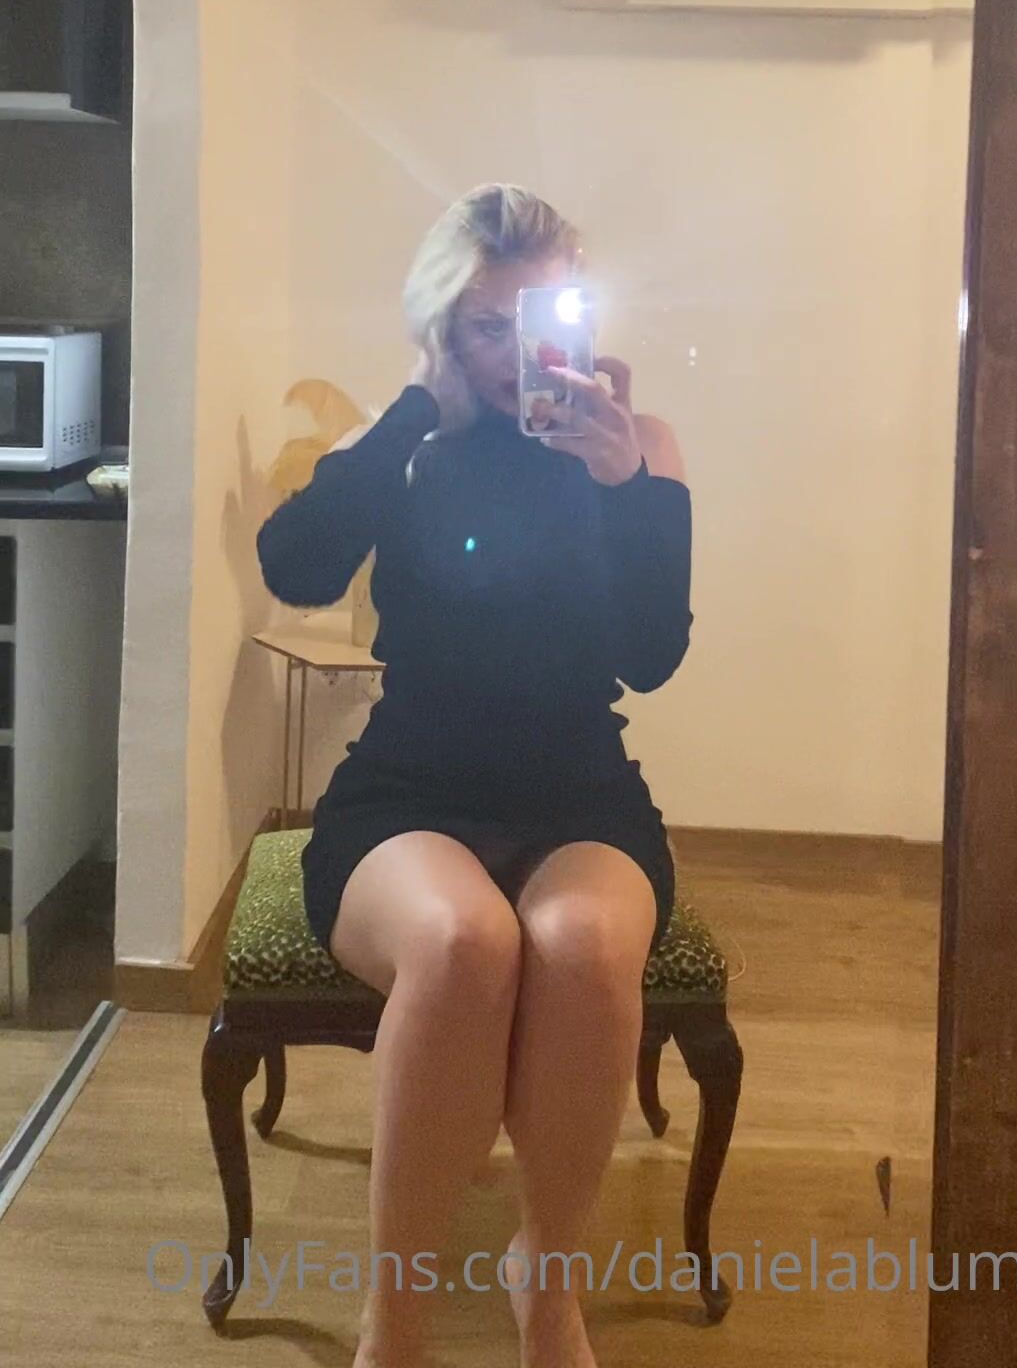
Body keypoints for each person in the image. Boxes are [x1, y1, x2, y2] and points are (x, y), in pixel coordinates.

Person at [256, 183, 692, 1368]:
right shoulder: (400, 442)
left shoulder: (638, 448)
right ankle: (395, 1321)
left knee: (584, 947)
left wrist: (623, 489)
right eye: (484, 324)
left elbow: (651, 657)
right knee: (461, 944)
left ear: (580, 317)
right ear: (443, 324)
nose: (512, 353)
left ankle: (546, 1282)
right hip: (410, 790)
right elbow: (294, 567)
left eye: (534, 320)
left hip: (581, 791)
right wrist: (416, 408)